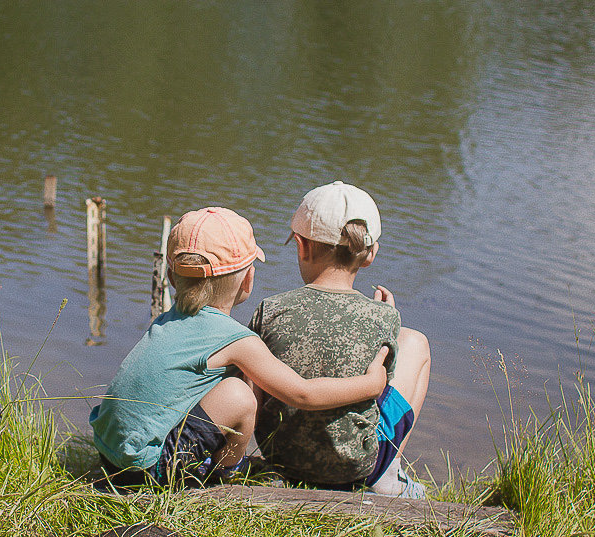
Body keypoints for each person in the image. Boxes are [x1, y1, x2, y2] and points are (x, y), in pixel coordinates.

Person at [90, 206, 391, 488]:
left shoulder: (169, 320)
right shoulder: (237, 340)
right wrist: (370, 384)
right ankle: (223, 476)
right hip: (144, 473)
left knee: (233, 384)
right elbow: (302, 393)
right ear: (248, 278)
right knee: (240, 396)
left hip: (109, 454)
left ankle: (211, 465)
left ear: (170, 275)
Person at [249, 182, 431, 498]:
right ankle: (387, 476)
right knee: (417, 343)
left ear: (301, 246)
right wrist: (384, 322)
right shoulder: (383, 316)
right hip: (355, 465)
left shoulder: (270, 309)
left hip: (281, 460)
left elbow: (255, 394)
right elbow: (381, 388)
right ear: (370, 254)